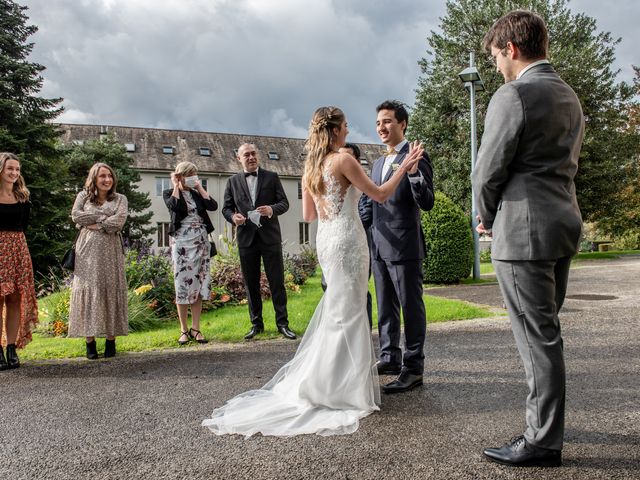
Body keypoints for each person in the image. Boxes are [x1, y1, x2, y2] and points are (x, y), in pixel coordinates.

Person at [202, 106, 423, 437]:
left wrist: (333, 207)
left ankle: (330, 381)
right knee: (348, 313)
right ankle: (340, 388)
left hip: (327, 241)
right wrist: (404, 167)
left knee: (339, 311)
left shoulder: (311, 167)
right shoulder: (344, 160)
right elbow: (379, 194)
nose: (349, 130)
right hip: (348, 239)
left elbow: (308, 215)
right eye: (346, 126)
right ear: (334, 131)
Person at [472, 10, 584, 468]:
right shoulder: (568, 95)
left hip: (523, 231)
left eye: (497, 56)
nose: (498, 65)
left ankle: (541, 440)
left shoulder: (513, 93)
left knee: (537, 339)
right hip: (562, 224)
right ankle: (547, 427)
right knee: (547, 332)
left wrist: (485, 216)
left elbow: (486, 171)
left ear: (511, 49)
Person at [361, 100, 434, 394]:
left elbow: (426, 201)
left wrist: (414, 173)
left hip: (404, 246)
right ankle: (390, 356)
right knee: (385, 307)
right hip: (378, 245)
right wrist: (365, 224)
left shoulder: (416, 155)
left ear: (402, 124)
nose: (382, 127)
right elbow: (369, 200)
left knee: (410, 307)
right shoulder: (377, 163)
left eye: (388, 121)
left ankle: (414, 367)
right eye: (379, 122)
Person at [221, 143, 295, 341]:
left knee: (277, 282)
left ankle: (283, 324)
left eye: (254, 153)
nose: (251, 157)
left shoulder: (272, 177)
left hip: (270, 237)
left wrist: (271, 209)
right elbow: (226, 208)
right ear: (239, 158)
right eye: (247, 154)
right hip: (246, 239)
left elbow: (284, 203)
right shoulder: (232, 181)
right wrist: (233, 218)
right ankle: (256, 324)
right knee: (251, 283)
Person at [69, 163, 129, 359]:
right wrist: (105, 218)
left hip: (111, 252)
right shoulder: (83, 197)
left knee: (111, 287)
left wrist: (96, 222)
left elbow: (118, 221)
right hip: (87, 253)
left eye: (110, 176)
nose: (107, 180)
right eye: (102, 176)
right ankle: (90, 342)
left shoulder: (121, 199)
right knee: (89, 288)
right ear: (94, 178)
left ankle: (111, 340)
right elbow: (76, 215)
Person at [320, 142, 373, 329]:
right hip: (342, 239)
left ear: (357, 161)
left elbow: (371, 207)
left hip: (345, 238)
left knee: (356, 292)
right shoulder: (335, 168)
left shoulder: (362, 179)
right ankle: (345, 334)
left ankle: (361, 331)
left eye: (348, 157)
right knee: (336, 291)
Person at [163, 161, 217, 345]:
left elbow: (213, 206)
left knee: (199, 283)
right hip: (182, 242)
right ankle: (184, 330)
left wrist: (199, 187)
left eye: (196, 174)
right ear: (181, 175)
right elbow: (174, 206)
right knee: (182, 284)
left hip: (200, 240)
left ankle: (196, 328)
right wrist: (176, 185)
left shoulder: (197, 194)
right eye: (190, 174)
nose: (194, 176)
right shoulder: (169, 193)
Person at [0, 153, 38, 370]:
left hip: (17, 250)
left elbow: (24, 226)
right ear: (1, 170)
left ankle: (11, 348)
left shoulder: (23, 197)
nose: (14, 173)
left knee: (15, 300)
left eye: (16, 169)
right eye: (9, 169)